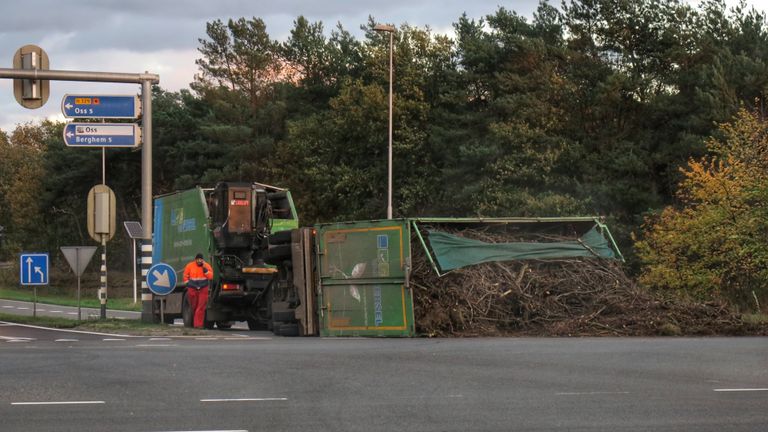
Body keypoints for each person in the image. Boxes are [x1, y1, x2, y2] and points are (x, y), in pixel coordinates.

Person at [183, 252, 213, 328]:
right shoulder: (189, 266)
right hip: (192, 288)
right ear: (195, 259)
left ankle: (198, 325)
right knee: (194, 306)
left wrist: (205, 271)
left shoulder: (206, 266)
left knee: (201, 307)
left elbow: (211, 276)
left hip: (203, 288)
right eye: (198, 259)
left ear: (203, 260)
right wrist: (189, 284)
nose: (199, 261)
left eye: (201, 259)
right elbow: (185, 276)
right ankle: (194, 323)